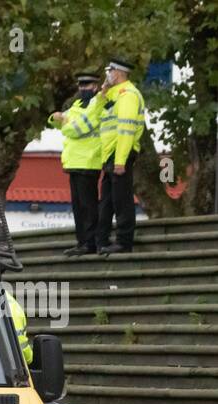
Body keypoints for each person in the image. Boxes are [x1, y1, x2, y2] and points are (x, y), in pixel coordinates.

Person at [48, 73, 105, 256]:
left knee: (88, 206)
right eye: (80, 85)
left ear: (95, 87)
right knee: (78, 206)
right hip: (74, 162)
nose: (82, 89)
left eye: (87, 85)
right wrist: (56, 118)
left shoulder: (97, 104)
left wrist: (64, 122)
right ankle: (82, 242)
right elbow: (59, 120)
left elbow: (77, 128)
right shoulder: (78, 104)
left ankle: (90, 243)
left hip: (89, 161)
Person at [94, 57, 145, 255]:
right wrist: (102, 92)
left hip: (120, 152)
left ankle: (124, 241)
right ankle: (102, 240)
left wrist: (120, 161)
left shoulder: (128, 94)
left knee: (121, 198)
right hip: (110, 153)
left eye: (110, 71)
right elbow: (97, 113)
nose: (107, 75)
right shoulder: (112, 94)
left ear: (119, 73)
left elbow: (126, 129)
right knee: (107, 199)